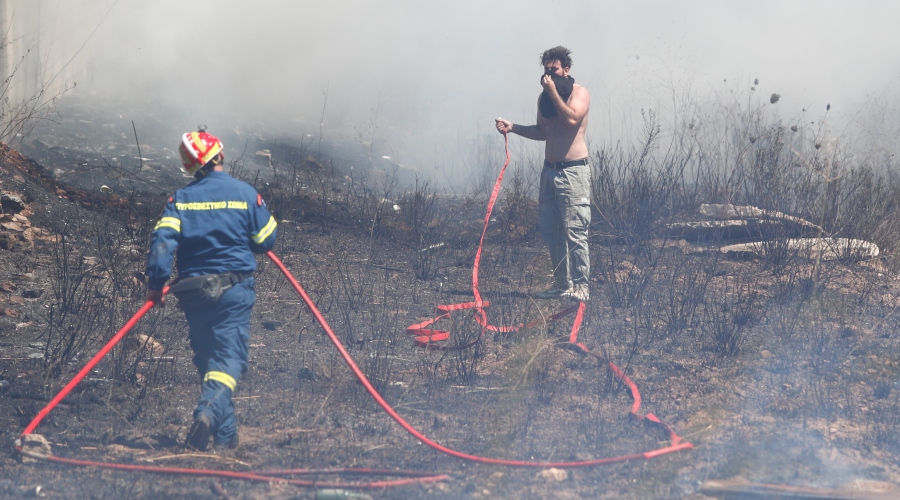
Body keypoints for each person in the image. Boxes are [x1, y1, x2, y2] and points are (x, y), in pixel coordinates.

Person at [144, 129, 277, 450]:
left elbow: (162, 243)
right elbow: (265, 241)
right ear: (219, 155)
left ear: (190, 166)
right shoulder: (246, 193)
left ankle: (226, 438)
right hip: (234, 290)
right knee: (228, 360)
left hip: (193, 293)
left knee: (208, 360)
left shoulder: (179, 200)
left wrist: (156, 284)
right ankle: (206, 412)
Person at [495, 46, 591, 302]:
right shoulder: (544, 98)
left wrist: (551, 91)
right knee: (551, 230)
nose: (550, 74)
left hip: (573, 172)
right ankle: (562, 284)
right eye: (546, 70)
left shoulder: (580, 94)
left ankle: (581, 287)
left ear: (566, 69)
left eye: (555, 69)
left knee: (575, 231)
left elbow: (571, 119)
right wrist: (512, 127)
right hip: (549, 172)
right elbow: (542, 131)